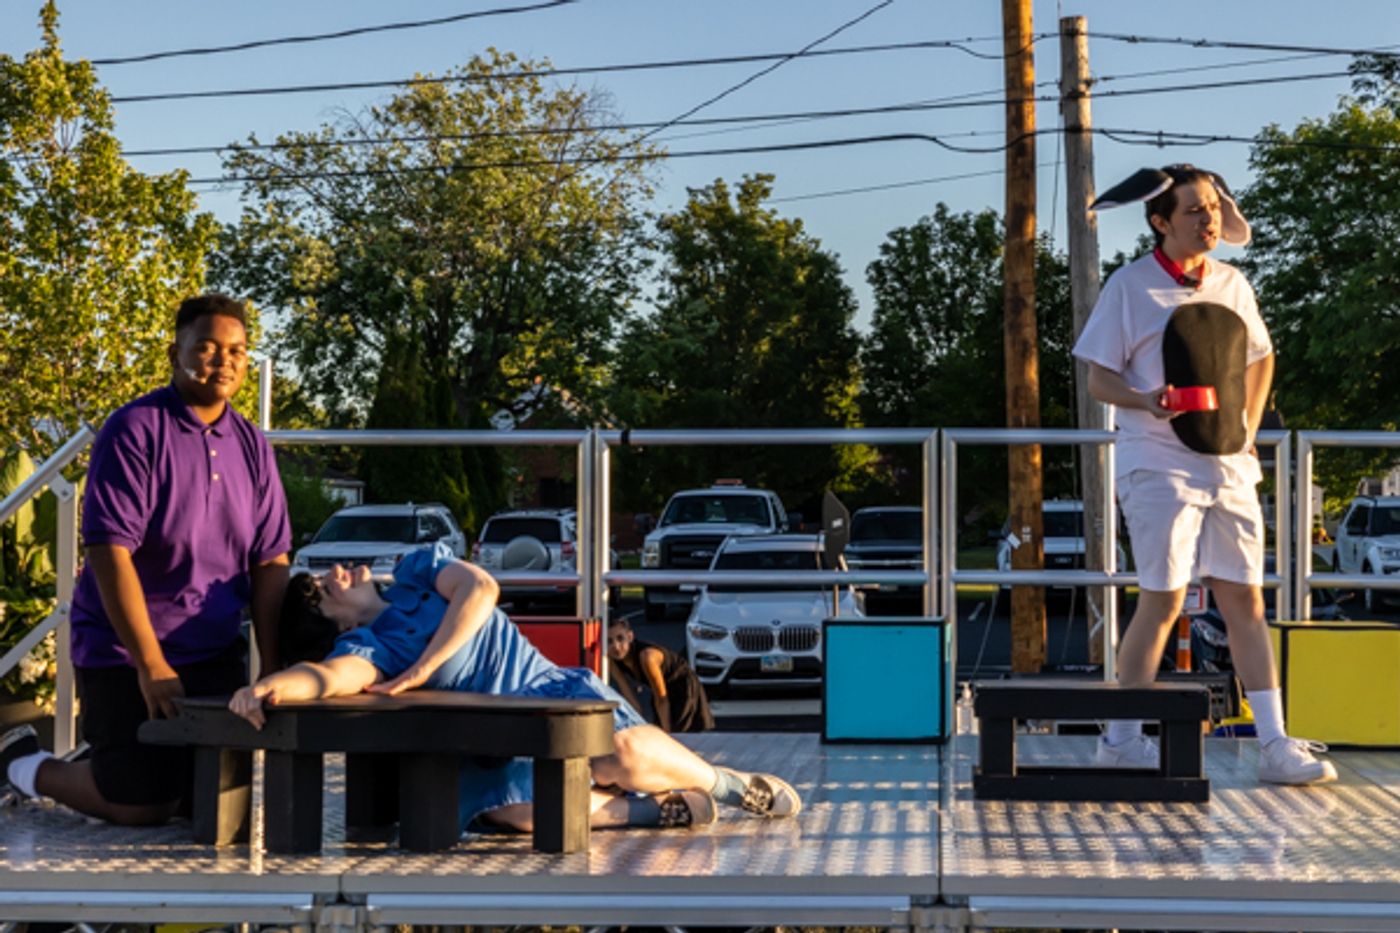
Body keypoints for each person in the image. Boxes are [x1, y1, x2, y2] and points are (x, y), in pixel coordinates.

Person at [228, 544, 801, 833]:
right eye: (324, 591)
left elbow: (480, 589)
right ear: (341, 626)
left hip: (552, 695)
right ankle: (658, 812)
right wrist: (271, 685)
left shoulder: (414, 569)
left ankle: (729, 788)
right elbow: (328, 678)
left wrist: (428, 666)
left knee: (619, 751)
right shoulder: (371, 650)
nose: (334, 573)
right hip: (493, 747)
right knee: (508, 810)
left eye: (326, 574)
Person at [1074, 164, 1335, 785]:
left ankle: (1274, 742)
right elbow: (1098, 378)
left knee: (1244, 597)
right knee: (1163, 600)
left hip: (1229, 463)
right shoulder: (1129, 286)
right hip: (1156, 462)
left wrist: (1245, 425)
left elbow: (1260, 355)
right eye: (1194, 210)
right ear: (1160, 222)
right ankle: (1120, 740)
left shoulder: (1232, 282)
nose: (1209, 218)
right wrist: (1148, 400)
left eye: (1213, 207)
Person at [1, 294, 292, 820]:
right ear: (175, 352)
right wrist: (151, 664)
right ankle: (23, 764)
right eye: (206, 347)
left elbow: (271, 561)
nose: (223, 360)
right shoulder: (135, 429)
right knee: (142, 806)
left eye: (237, 350)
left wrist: (271, 665)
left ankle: (111, 755)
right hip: (124, 651)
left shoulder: (252, 445)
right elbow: (109, 549)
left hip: (211, 654)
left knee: (215, 807)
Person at [606, 617, 714, 733]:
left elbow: (662, 699)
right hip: (661, 693)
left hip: (682, 688)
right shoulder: (612, 661)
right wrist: (638, 728)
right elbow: (631, 700)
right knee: (658, 733)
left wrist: (667, 733)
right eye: (609, 641)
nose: (616, 647)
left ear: (630, 636)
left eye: (620, 638)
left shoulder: (647, 657)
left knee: (678, 736)